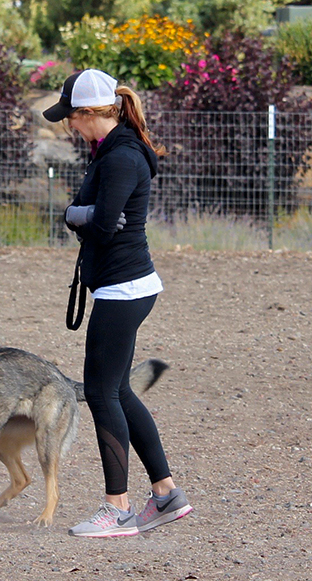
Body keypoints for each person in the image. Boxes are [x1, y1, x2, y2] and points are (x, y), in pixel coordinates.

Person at [44, 68, 193, 538]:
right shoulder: (111, 150)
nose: (69, 125)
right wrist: (87, 214)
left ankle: (118, 509)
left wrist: (72, 214)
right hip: (126, 286)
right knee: (119, 391)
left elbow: (105, 224)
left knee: (102, 392)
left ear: (91, 113)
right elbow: (106, 216)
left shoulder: (122, 157)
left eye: (72, 116)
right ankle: (167, 494)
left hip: (123, 289)